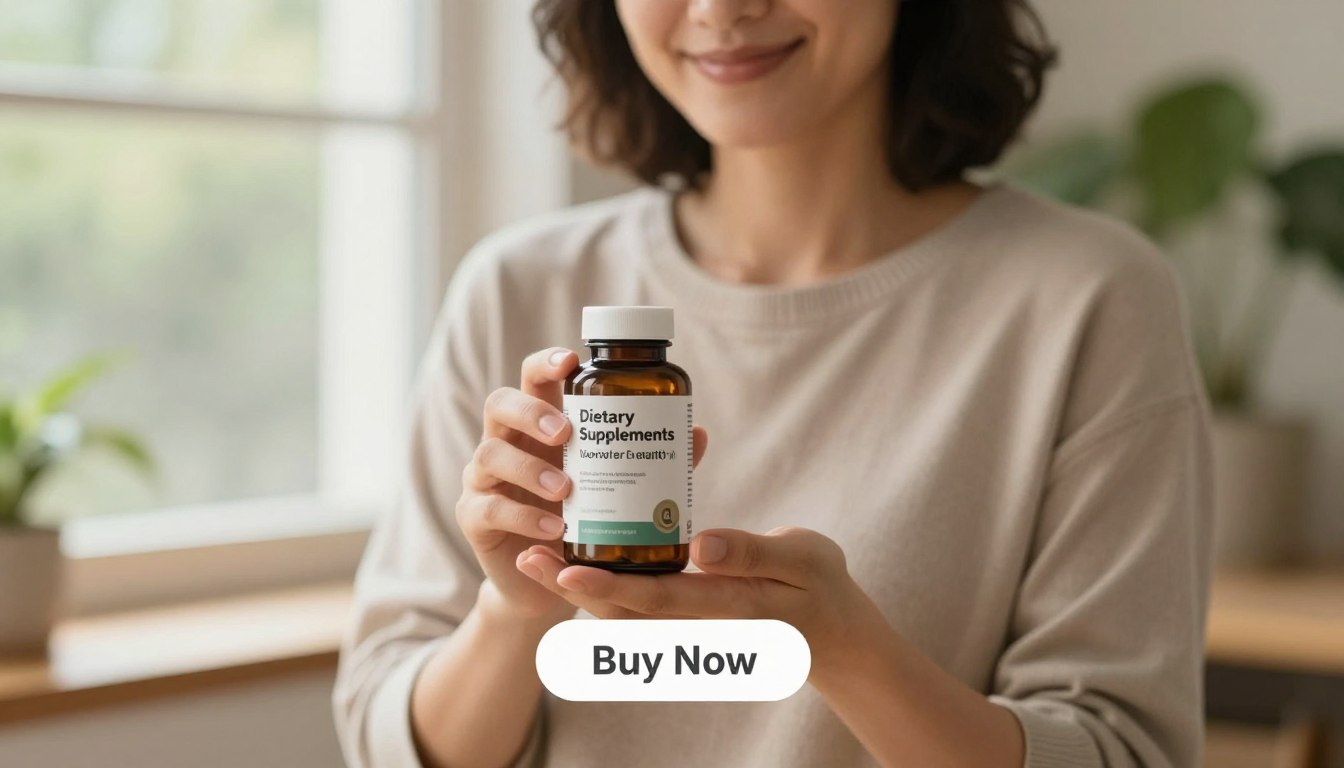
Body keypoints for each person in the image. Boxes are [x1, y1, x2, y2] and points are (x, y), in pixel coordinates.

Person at [334, 1, 1213, 766]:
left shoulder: (1087, 299)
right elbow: (387, 737)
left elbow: (1120, 750)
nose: (721, 8)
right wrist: (511, 615)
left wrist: (846, 651)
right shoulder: (518, 290)